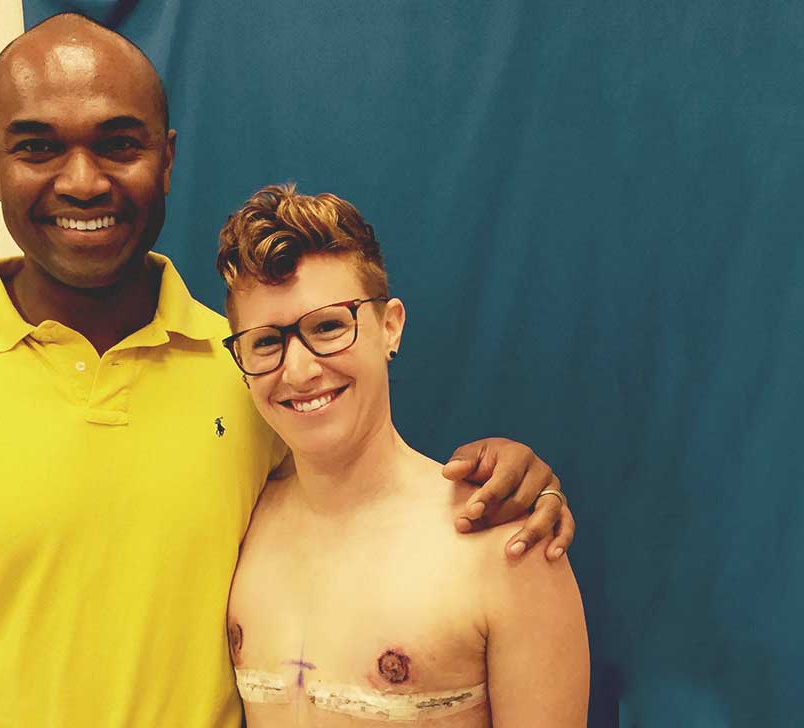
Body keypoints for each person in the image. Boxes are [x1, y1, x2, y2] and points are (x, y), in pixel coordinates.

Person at [0, 13, 574, 728]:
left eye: (118, 144)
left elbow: (360, 499)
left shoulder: (246, 372)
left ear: (166, 158)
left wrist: (512, 476)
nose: (82, 181)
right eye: (37, 147)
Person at [218, 184, 589, 726]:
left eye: (328, 327)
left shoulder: (505, 541)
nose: (299, 371)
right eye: (267, 342)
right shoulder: (237, 527)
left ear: (389, 326)